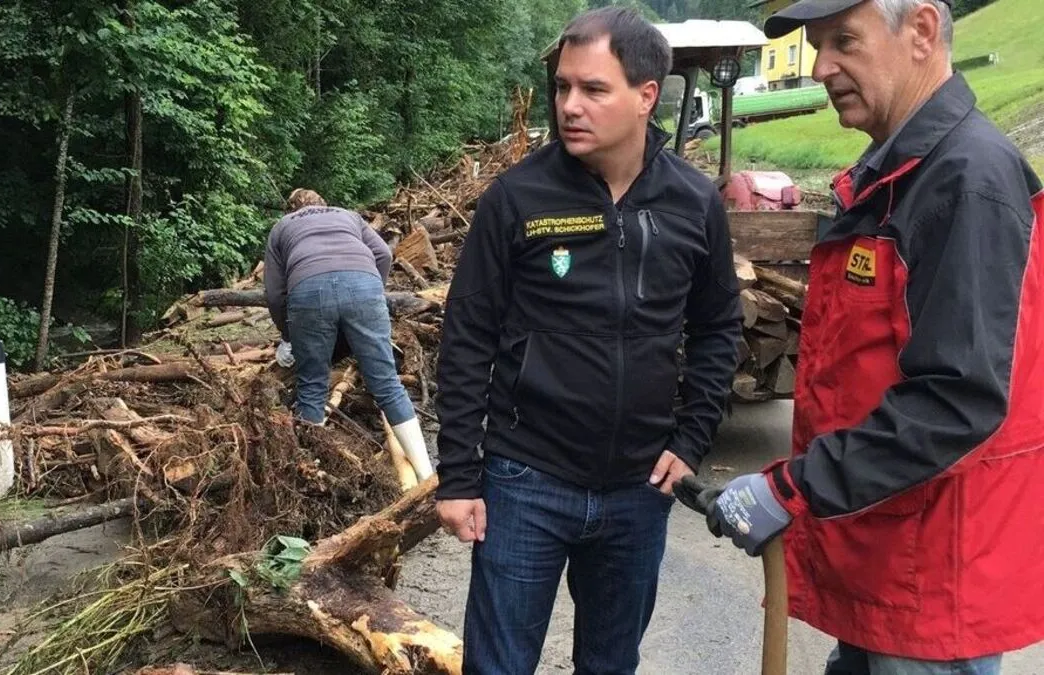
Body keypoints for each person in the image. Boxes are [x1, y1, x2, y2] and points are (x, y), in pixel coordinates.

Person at [699, 1, 1044, 673]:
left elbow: (958, 400)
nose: (823, 66)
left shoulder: (964, 181)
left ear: (919, 31)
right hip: (887, 572)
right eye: (817, 45)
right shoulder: (899, 176)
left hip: (929, 592)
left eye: (844, 42)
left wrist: (792, 488)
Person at [433, 7, 743, 673]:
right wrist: (459, 474)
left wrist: (690, 439)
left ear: (645, 96)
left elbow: (718, 326)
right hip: (525, 479)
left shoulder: (693, 202)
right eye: (563, 87)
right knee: (498, 665)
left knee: (610, 664)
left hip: (639, 487)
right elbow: (466, 337)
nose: (570, 105)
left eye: (594, 89)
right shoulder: (516, 199)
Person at [263, 188, 433, 480]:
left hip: (308, 291)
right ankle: (428, 476)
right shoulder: (347, 216)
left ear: (291, 210)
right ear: (325, 204)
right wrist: (370, 291)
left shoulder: (282, 227)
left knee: (312, 386)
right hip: (364, 286)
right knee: (388, 385)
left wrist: (288, 335)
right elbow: (382, 253)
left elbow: (275, 294)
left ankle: (312, 474)